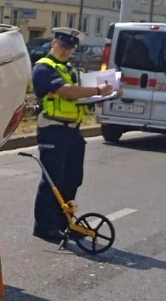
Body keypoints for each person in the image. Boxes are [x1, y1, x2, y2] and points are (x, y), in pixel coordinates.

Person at [31, 28, 118, 243]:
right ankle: (44, 226)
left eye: (70, 48)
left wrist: (113, 91)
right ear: (53, 44)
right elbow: (67, 92)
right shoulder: (44, 68)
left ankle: (64, 223)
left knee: (72, 179)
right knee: (53, 180)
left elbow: (80, 95)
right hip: (53, 130)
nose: (67, 51)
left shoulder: (69, 69)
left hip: (72, 131)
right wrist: (99, 90)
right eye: (63, 46)